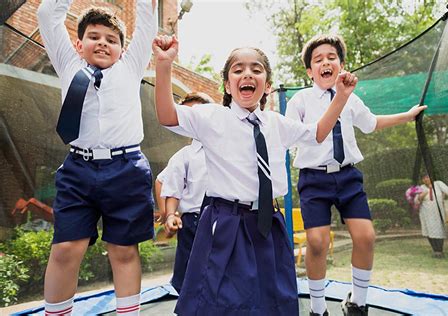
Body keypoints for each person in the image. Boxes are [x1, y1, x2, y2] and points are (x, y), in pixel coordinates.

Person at [153, 34, 358, 315]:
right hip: (225, 223)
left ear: (267, 85)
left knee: (274, 299)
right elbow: (166, 115)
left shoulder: (276, 123)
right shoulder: (212, 117)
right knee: (221, 301)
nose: (247, 73)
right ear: (227, 84)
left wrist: (341, 97)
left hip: (267, 224)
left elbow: (318, 133)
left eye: (256, 69)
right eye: (238, 70)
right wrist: (164, 65)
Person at [285, 34, 427, 316]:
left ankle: (357, 302)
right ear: (309, 71)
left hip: (348, 177)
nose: (326, 62)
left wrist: (407, 115)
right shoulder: (300, 100)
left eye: (331, 57)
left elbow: (372, 124)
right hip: (314, 179)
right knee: (316, 242)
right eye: (318, 60)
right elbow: (291, 137)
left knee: (366, 237)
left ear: (342, 65)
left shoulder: (351, 99)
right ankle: (317, 308)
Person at [37, 0, 157, 315]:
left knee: (123, 250)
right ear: (79, 43)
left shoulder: (131, 67)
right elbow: (47, 14)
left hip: (126, 168)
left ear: (122, 47)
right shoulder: (68, 64)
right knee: (65, 248)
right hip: (78, 167)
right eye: (94, 36)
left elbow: (147, 18)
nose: (102, 42)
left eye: (111, 39)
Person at [154, 92, 214, 293]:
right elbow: (165, 184)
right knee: (189, 280)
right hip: (193, 223)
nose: (192, 119)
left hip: (225, 220)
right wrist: (168, 215)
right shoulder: (186, 155)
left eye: (197, 113)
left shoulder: (229, 147)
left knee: (222, 278)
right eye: (186, 116)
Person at [416, 175, 448, 258]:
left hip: (438, 212)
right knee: (429, 231)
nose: (426, 179)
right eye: (424, 178)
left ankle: (440, 250)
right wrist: (423, 194)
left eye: (427, 177)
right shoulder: (421, 187)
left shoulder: (438, 184)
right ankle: (435, 250)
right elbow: (416, 200)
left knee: (439, 230)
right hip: (426, 213)